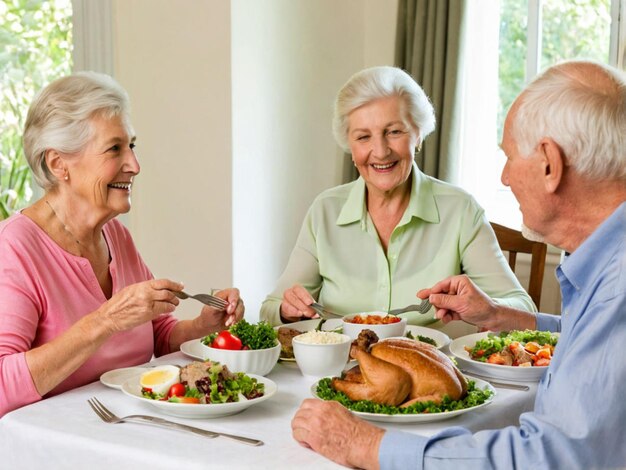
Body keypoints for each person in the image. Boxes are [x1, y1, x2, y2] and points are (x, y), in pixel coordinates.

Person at [291, 60, 626, 469]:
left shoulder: (617, 286)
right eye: (364, 136)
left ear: (549, 165)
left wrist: (369, 447)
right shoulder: (607, 270)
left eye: (509, 157)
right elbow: (584, 340)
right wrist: (499, 315)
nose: (504, 177)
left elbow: (550, 458)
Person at [0, 72, 244, 417]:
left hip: (130, 428)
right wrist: (104, 321)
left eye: (132, 146)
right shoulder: (14, 248)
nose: (134, 165)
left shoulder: (115, 235)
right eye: (115, 148)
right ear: (59, 164)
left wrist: (205, 325)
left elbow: (156, 335)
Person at [260, 66, 534, 328]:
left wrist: (487, 308)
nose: (380, 152)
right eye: (363, 137)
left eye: (393, 132)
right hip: (341, 371)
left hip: (430, 370)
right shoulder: (325, 211)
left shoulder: (460, 210)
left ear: (418, 135)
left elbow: (523, 307)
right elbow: (270, 309)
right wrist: (287, 311)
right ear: (350, 146)